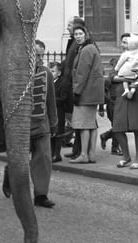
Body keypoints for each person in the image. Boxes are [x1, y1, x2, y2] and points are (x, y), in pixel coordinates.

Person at [2, 39, 58, 208]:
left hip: (42, 124)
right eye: (36, 54)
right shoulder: (15, 73)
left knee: (44, 160)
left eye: (42, 54)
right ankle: (10, 176)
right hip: (21, 126)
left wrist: (54, 123)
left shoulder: (46, 73)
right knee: (18, 159)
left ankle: (41, 195)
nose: (39, 58)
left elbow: (51, 100)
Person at [112, 34, 138, 169]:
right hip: (122, 94)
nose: (123, 45)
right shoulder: (123, 57)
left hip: (137, 94)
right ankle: (126, 156)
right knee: (118, 127)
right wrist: (123, 79)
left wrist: (134, 82)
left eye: (126, 43)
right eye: (122, 42)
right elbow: (113, 75)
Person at [69, 25, 104, 164]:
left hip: (86, 92)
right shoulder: (91, 48)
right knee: (91, 124)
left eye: (80, 33)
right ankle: (91, 154)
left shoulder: (87, 49)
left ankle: (84, 154)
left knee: (84, 124)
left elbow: (82, 73)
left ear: (86, 34)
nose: (77, 36)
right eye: (75, 34)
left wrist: (76, 91)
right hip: (92, 92)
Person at [63, 16, 86, 159]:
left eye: (70, 25)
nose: (67, 28)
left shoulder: (81, 45)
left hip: (75, 86)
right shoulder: (72, 42)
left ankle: (81, 150)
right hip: (69, 84)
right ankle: (76, 148)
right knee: (74, 119)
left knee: (79, 120)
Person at [50, 61, 70, 163]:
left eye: (53, 71)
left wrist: (51, 100)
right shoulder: (48, 82)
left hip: (59, 111)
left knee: (58, 134)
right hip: (49, 112)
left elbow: (63, 98)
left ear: (59, 73)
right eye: (50, 71)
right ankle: (50, 153)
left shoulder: (63, 83)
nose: (51, 73)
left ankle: (57, 154)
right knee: (51, 133)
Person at [114, 35, 138, 99]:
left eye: (125, 43)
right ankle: (133, 89)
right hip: (137, 70)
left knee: (125, 78)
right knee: (135, 80)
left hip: (127, 69)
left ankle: (126, 90)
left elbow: (120, 62)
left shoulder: (126, 53)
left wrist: (116, 68)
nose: (122, 45)